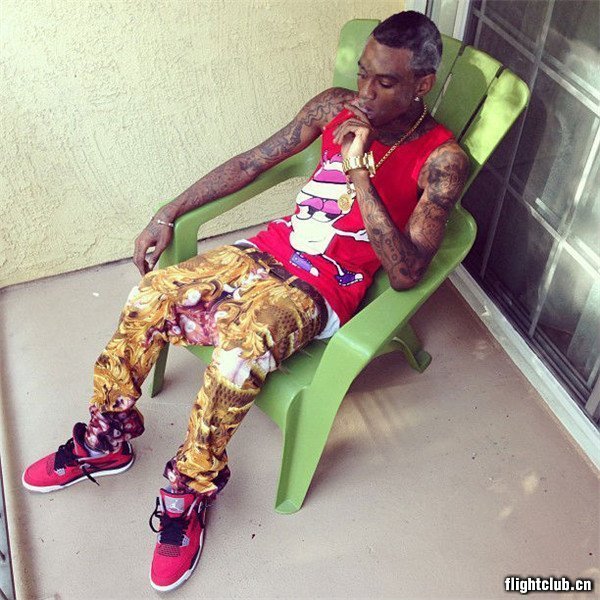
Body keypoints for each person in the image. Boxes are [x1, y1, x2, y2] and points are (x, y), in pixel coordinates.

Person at [22, 11, 469, 593]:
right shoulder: (332, 106)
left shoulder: (442, 160)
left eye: (384, 83)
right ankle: (107, 437)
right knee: (150, 295)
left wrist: (359, 171)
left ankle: (191, 488)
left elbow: (407, 273)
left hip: (322, 287)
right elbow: (252, 162)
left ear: (423, 84)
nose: (364, 93)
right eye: (362, 74)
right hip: (264, 252)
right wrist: (168, 212)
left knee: (238, 354)